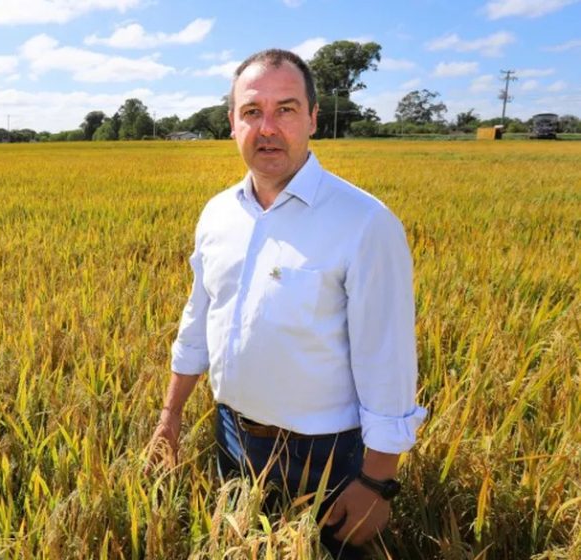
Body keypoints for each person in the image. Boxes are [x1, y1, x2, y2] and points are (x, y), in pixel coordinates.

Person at [147, 48, 426, 558]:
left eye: (287, 109)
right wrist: (170, 418)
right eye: (252, 112)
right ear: (232, 123)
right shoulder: (217, 215)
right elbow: (198, 320)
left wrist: (379, 483)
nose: (267, 127)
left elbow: (387, 361)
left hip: (326, 456)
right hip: (231, 438)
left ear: (314, 118)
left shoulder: (365, 223)